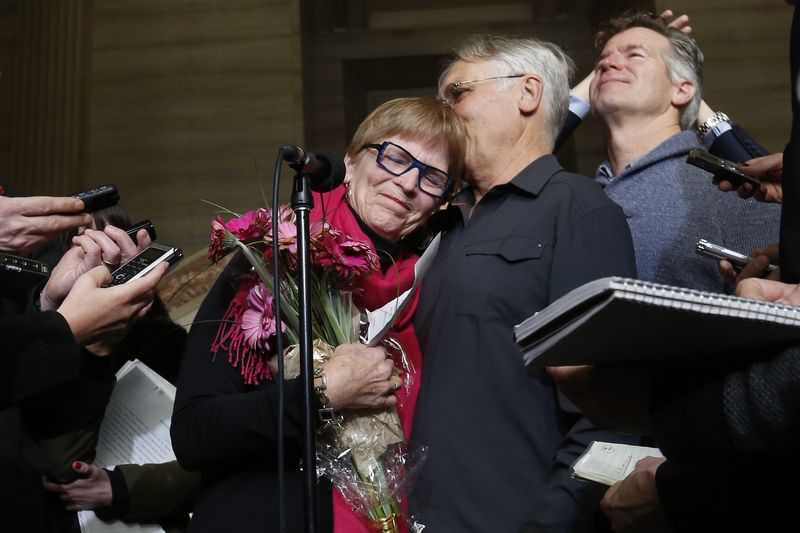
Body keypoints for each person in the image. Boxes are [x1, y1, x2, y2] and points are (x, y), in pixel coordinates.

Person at [170, 96, 467, 532]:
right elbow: (194, 434)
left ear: (441, 202)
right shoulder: (278, 257)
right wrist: (323, 394)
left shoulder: (429, 287)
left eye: (432, 178)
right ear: (350, 161)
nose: (407, 183)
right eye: (395, 157)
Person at [407, 35, 637, 532]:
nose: (441, 113)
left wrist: (551, 522)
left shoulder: (578, 210)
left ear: (528, 93)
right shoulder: (435, 226)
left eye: (457, 94)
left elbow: (607, 410)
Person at [583, 11, 780, 292]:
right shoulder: (578, 199)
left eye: (634, 55)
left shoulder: (736, 191)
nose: (607, 63)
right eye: (601, 60)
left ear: (682, 90)